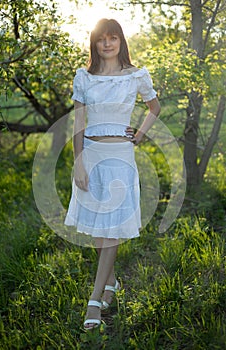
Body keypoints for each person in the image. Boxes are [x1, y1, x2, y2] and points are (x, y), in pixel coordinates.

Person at [64, 18, 161, 330]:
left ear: (121, 41)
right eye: (101, 39)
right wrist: (78, 160)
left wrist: (142, 134)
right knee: (97, 225)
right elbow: (78, 121)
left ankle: (94, 300)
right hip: (91, 154)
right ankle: (111, 283)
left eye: (113, 38)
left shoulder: (135, 76)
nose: (107, 44)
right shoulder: (85, 77)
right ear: (94, 43)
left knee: (111, 226)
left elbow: (154, 107)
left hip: (120, 155)